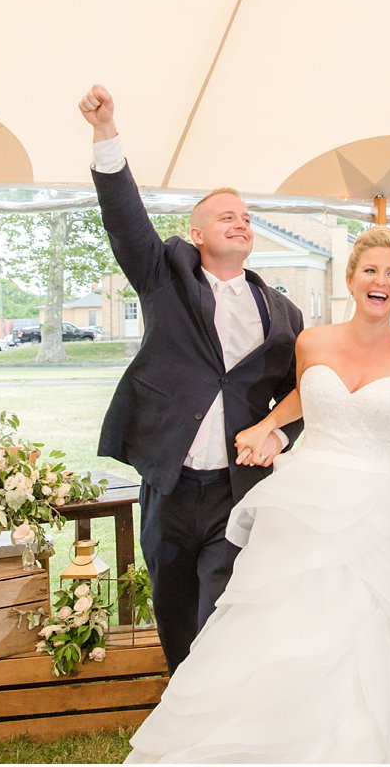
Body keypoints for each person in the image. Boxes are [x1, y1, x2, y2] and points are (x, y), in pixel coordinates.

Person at [126, 155, 390, 763]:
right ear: (353, 277)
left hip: (373, 516)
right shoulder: (313, 339)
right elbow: (299, 397)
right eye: (369, 268)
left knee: (361, 638)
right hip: (305, 502)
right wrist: (265, 425)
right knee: (279, 628)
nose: (379, 279)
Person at [80, 84, 305, 673]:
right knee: (174, 601)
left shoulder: (283, 313)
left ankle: (218, 703)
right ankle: (182, 700)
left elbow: (301, 398)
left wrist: (277, 436)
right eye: (226, 216)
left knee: (223, 604)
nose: (242, 223)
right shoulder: (165, 276)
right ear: (198, 234)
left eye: (248, 218)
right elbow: (126, 220)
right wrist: (107, 134)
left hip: (240, 484)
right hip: (170, 480)